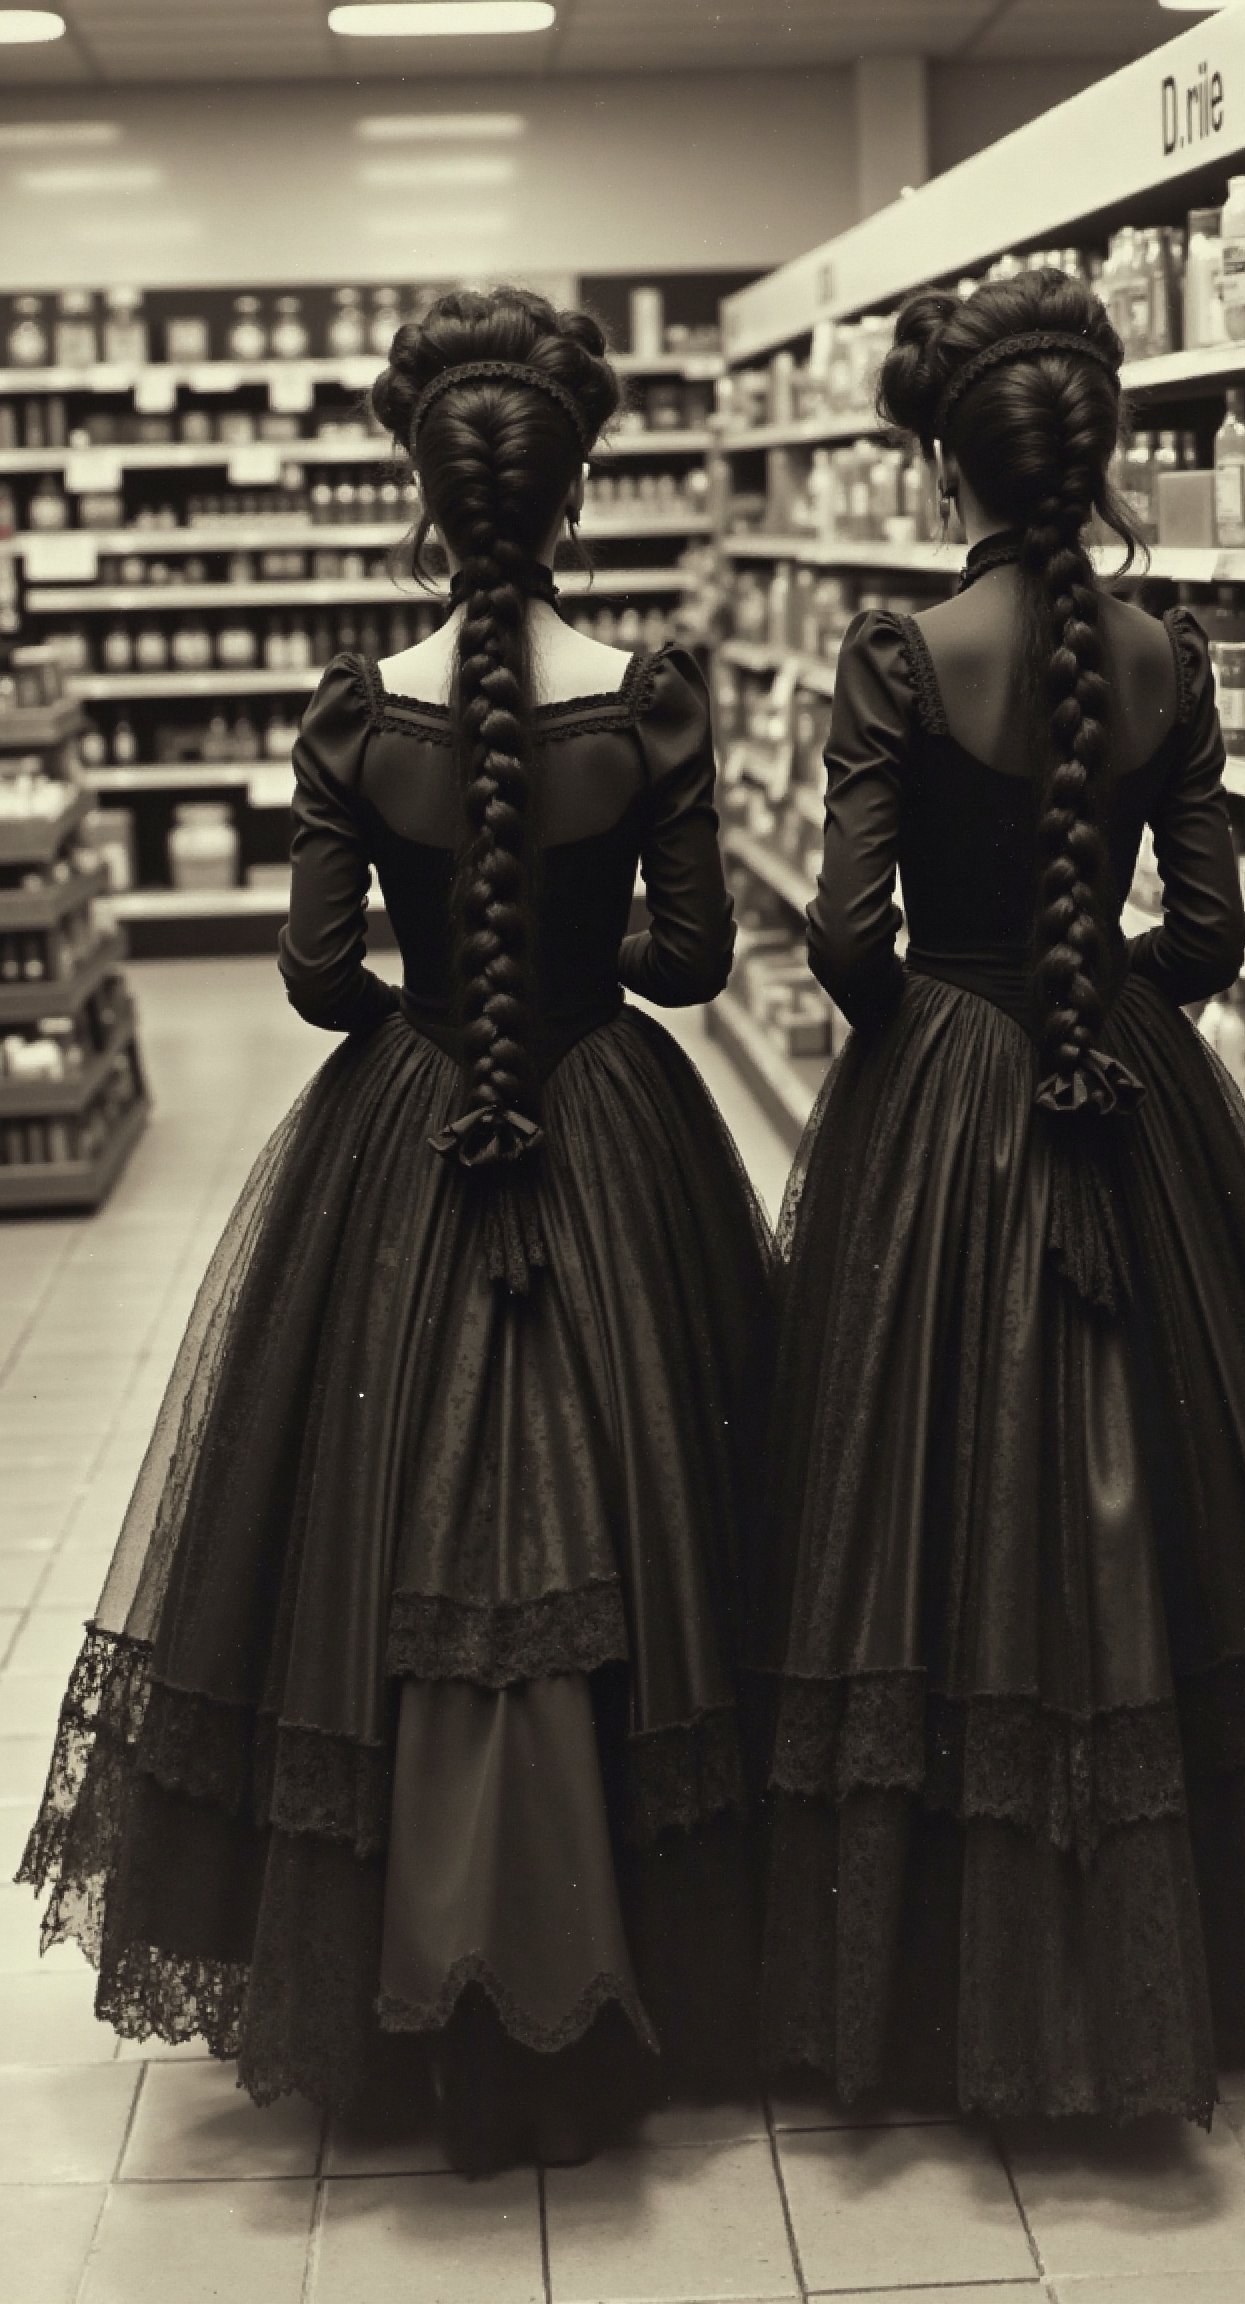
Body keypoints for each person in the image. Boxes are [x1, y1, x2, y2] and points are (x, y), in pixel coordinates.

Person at [19, 287, 773, 2173]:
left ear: (422, 504)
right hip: (613, 1131)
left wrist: (445, 1019)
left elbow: (308, 979)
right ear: (584, 488)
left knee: (387, 1525)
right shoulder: (655, 697)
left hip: (414, 1138)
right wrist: (558, 993)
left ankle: (412, 1984)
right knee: (655, 1516)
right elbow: (691, 963)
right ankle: (635, 1970)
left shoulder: (359, 717)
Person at [752, 272, 1245, 2127]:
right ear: (1102, 463)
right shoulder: (1170, 658)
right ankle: (1233, 1939)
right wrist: (1103, 1025)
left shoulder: (899, 660)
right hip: (1128, 1100)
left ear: (942, 469)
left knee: (923, 1501)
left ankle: (926, 1958)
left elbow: (849, 934)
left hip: (947, 1081)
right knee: (1187, 1494)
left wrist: (945, 1047)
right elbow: (1219, 936)